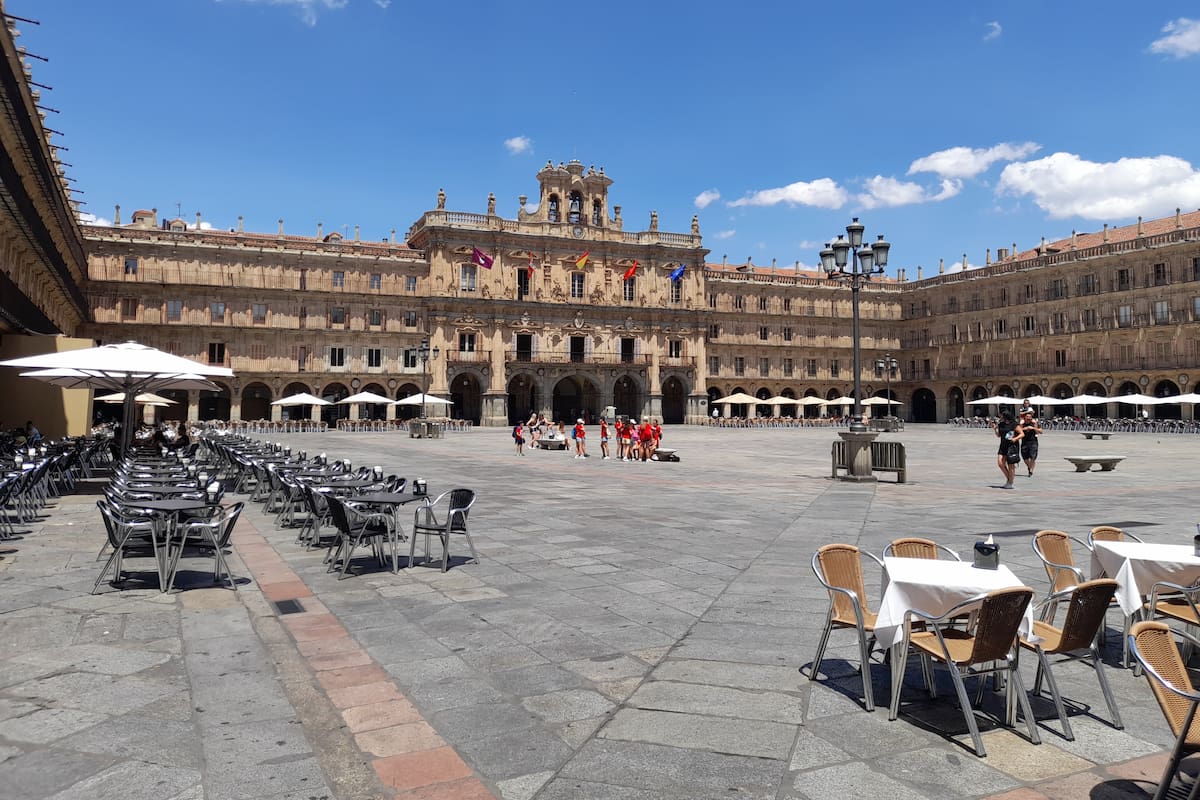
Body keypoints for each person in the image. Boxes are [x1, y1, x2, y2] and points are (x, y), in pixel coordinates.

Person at [992, 410, 1023, 489]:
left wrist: (1015, 439)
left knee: (1010, 465)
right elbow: (999, 435)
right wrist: (995, 429)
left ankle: (1010, 482)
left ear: (1006, 416)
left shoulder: (1014, 424)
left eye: (1001, 415)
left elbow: (1022, 434)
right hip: (1003, 445)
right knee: (1000, 463)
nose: (1000, 417)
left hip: (1012, 446)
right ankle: (1009, 479)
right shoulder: (1001, 424)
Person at [1019, 411, 1042, 476]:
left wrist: (1033, 428)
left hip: (1033, 442)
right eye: (1027, 417)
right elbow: (1017, 431)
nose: (1028, 418)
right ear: (1025, 418)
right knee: (1025, 458)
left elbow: (1041, 431)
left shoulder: (1034, 423)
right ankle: (1029, 467)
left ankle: (1031, 471)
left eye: (1030, 417)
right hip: (1024, 442)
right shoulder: (1022, 423)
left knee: (1033, 457)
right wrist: (1024, 428)